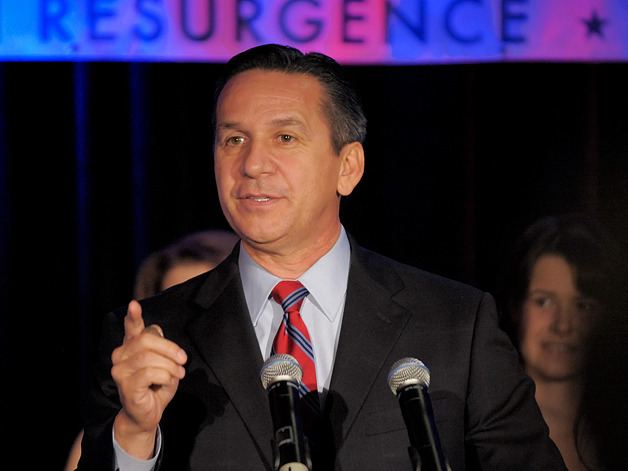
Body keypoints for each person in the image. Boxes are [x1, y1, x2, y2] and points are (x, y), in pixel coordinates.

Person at [76, 43, 566, 470]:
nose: (252, 164)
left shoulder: (458, 324)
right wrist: (135, 435)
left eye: (284, 138)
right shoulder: (149, 334)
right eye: (233, 139)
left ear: (348, 168)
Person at [65, 229, 238, 471]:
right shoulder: (112, 436)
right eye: (179, 316)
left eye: (207, 313)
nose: (193, 333)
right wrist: (134, 434)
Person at [496, 213, 623, 470]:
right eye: (544, 301)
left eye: (582, 305)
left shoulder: (618, 432)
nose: (562, 325)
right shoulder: (475, 431)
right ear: (515, 307)